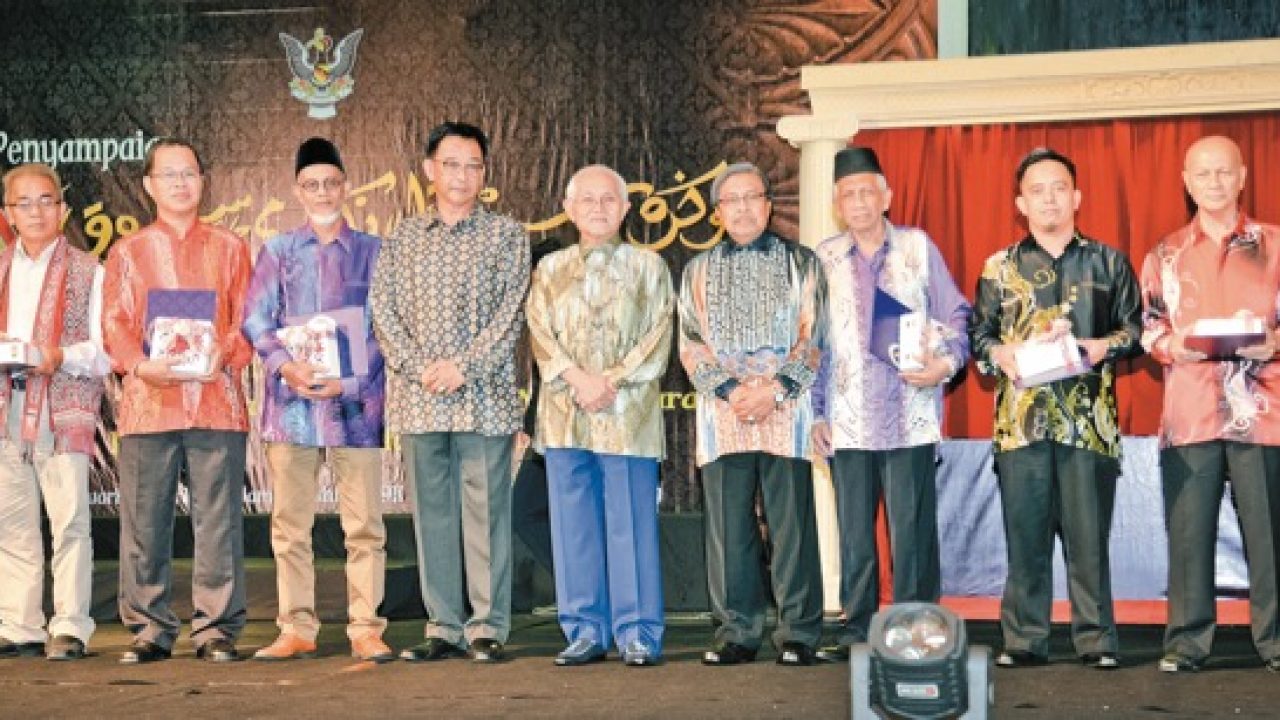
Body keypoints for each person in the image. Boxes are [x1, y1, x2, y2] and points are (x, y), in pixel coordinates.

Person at [970, 147, 1143, 670]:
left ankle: (1096, 641)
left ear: (1077, 196)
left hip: (1089, 425)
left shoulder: (1109, 262)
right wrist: (999, 353)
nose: (1049, 199)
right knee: (1025, 540)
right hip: (1020, 425)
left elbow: (1137, 331)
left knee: (1089, 540)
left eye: (1059, 188)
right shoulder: (998, 267)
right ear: (1020, 203)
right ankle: (1025, 640)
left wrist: (1101, 346)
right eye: (1037, 190)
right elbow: (978, 336)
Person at [370, 121, 529, 663]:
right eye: (451, 164)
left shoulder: (507, 236)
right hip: (420, 402)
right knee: (432, 518)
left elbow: (511, 315)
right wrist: (423, 369)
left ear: (485, 173)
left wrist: (463, 367)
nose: (462, 176)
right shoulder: (403, 238)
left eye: (473, 166)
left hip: (484, 400)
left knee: (487, 518)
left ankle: (487, 627)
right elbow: (384, 313)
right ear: (429, 170)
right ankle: (443, 626)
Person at [810, 148, 971, 662]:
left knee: (912, 534)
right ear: (837, 204)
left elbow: (956, 314)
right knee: (855, 535)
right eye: (848, 194)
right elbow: (813, 343)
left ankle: (917, 629)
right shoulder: (824, 259)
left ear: (887, 197)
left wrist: (944, 362)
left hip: (910, 414)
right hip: (848, 419)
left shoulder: (917, 248)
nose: (859, 202)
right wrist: (816, 413)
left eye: (867, 192)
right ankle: (856, 628)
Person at [103, 138, 254, 664]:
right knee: (144, 523)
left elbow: (248, 319)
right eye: (169, 174)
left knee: (219, 522)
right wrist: (140, 364)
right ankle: (149, 627)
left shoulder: (230, 247)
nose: (181, 183)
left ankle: (216, 629)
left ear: (203, 180)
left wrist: (223, 352)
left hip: (216, 399)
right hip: (150, 403)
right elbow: (114, 324)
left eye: (189, 173)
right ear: (149, 185)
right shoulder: (128, 252)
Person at [242, 137, 392, 663]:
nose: (323, 192)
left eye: (331, 183)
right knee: (289, 526)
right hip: (293, 407)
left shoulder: (375, 251)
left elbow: (388, 327)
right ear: (297, 191)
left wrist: (348, 380)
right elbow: (255, 319)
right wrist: (287, 365)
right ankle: (296, 627)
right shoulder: (278, 251)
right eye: (312, 185)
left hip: (356, 407)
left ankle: (366, 628)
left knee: (364, 527)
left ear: (346, 186)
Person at [1140, 134, 1280, 674]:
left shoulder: (1274, 245)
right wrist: (1172, 344)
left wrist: (1273, 343)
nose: (1214, 182)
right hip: (1190, 414)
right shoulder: (1164, 254)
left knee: (1269, 537)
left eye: (1224, 172)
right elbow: (1149, 327)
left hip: (1262, 413)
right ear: (1187, 182)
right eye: (1203, 173)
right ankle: (1186, 643)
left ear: (1242, 177)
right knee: (1188, 535)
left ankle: (1274, 642)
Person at [678, 161, 827, 667]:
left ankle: (799, 633)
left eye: (752, 197)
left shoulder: (802, 262)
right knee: (728, 528)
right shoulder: (697, 270)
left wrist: (777, 390)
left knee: (792, 527)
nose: (742, 208)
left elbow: (813, 336)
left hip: (786, 410)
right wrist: (731, 390)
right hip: (724, 414)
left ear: (768, 205)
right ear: (717, 212)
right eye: (731, 200)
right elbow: (690, 342)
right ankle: (736, 632)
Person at [526, 164, 673, 667]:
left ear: (626, 208)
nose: (597, 207)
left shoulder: (650, 267)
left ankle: (637, 632)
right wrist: (578, 379)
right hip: (565, 414)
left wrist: (609, 381)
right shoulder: (549, 270)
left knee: (630, 525)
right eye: (586, 199)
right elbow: (540, 333)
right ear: (568, 210)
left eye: (608, 199)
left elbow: (657, 337)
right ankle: (584, 629)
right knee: (574, 528)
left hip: (628, 416)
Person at [0, 164, 109, 661]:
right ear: (8, 214)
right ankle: (19, 624)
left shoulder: (89, 270)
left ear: (63, 210)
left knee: (69, 521)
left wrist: (59, 356)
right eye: (24, 203)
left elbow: (105, 351)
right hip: (6, 408)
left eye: (46, 201)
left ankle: (70, 624)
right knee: (12, 522)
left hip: (63, 407)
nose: (36, 212)